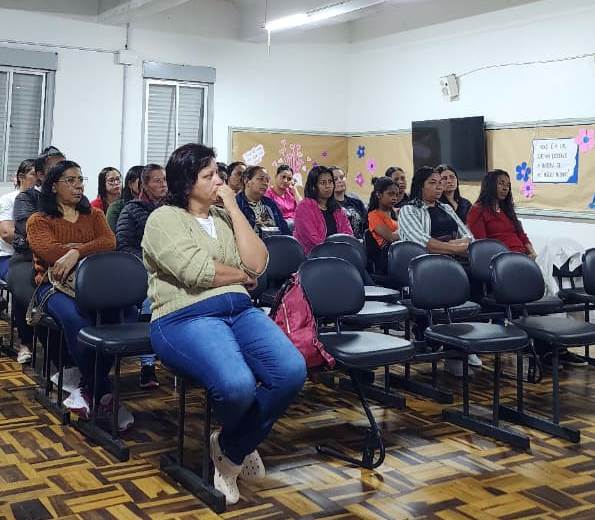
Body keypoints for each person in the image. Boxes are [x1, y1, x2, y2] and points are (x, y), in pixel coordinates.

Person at [142, 143, 306, 505]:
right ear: (186, 183)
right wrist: (241, 275)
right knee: (236, 384)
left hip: (239, 310)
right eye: (209, 175)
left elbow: (259, 264)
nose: (219, 180)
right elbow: (195, 272)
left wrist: (233, 207)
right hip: (184, 315)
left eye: (217, 173)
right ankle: (241, 443)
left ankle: (231, 448)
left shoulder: (223, 217)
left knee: (291, 370)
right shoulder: (163, 219)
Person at [27, 161, 134, 429]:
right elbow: (51, 253)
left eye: (80, 180)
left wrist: (75, 251)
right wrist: (86, 248)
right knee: (77, 319)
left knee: (125, 313)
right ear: (54, 186)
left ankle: (86, 387)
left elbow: (109, 242)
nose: (78, 186)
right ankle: (104, 393)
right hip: (53, 287)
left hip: (95, 285)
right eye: (71, 180)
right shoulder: (39, 220)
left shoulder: (94, 215)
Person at [9, 146, 65, 365]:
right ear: (41, 175)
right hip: (26, 260)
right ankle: (57, 362)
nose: (63, 173)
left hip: (62, 260)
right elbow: (34, 234)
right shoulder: (26, 198)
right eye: (56, 168)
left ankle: (76, 360)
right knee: (41, 299)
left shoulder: (76, 200)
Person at [116, 164, 167, 388]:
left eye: (165, 180)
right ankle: (148, 365)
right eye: (157, 180)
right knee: (150, 296)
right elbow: (124, 245)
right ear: (144, 185)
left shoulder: (173, 209)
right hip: (143, 268)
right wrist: (151, 262)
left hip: (171, 266)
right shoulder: (131, 210)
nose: (163, 184)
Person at [398, 166, 473, 257]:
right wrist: (455, 249)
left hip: (456, 257)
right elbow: (421, 241)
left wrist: (456, 243)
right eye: (433, 183)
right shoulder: (408, 210)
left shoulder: (446, 208)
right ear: (420, 186)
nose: (439, 187)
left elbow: (468, 235)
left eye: (440, 183)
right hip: (426, 261)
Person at [467, 169, 537, 258]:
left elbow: (522, 236)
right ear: (490, 186)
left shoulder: (507, 209)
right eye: (501, 183)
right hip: (501, 259)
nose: (505, 188)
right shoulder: (478, 210)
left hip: (522, 256)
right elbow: (482, 244)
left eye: (508, 185)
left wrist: (532, 253)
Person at [293, 166, 353, 254]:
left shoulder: (337, 208)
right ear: (313, 186)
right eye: (323, 183)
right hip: (313, 256)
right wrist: (334, 252)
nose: (328, 186)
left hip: (339, 255)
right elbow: (312, 240)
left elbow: (347, 234)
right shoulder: (304, 207)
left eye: (330, 182)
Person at [0, 159, 37, 280]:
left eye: (40, 174)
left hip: (36, 257)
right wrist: (40, 243)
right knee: (27, 280)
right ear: (21, 177)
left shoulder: (42, 201)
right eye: (33, 174)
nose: (38, 179)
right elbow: (6, 233)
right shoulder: (7, 200)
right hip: (9, 257)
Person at [236, 166, 290, 236]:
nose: (265, 183)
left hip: (276, 241)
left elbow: (284, 229)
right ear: (247, 181)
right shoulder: (237, 204)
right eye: (261, 179)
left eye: (267, 180)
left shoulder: (269, 203)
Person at [367, 177, 398, 273]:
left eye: (396, 195)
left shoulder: (397, 213)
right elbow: (391, 238)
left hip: (400, 253)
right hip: (386, 258)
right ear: (379, 195)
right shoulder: (373, 216)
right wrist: (409, 230)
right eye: (390, 194)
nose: (394, 198)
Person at [331, 166, 367, 239]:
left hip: (361, 243)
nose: (340, 181)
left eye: (342, 177)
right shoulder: (327, 205)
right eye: (335, 179)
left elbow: (367, 225)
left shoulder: (357, 202)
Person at [106, 165, 142, 232]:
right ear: (130, 184)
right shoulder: (116, 208)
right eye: (142, 181)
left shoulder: (154, 205)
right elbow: (112, 235)